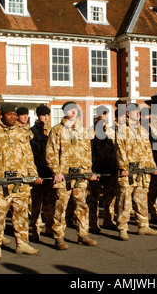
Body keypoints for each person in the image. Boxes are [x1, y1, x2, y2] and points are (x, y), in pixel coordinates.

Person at [0, 103, 42, 260]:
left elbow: (28, 156)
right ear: (2, 114)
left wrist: (33, 174)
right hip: (1, 182)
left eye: (14, 114)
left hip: (20, 182)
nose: (13, 117)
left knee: (21, 214)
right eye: (9, 114)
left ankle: (22, 244)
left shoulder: (22, 133)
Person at [45, 101, 98, 250]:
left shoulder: (83, 130)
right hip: (63, 175)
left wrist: (89, 172)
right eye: (69, 110)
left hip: (80, 176)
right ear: (64, 112)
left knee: (82, 205)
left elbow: (87, 153)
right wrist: (56, 171)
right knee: (60, 206)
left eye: (74, 109)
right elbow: (51, 153)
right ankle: (59, 237)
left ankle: (83, 235)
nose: (73, 112)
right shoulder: (57, 130)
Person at [115, 103, 157, 241]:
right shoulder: (122, 130)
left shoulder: (143, 130)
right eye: (135, 112)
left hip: (143, 172)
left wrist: (152, 166)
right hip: (128, 172)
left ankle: (143, 225)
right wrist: (123, 167)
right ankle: (123, 228)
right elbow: (119, 150)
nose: (138, 114)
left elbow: (148, 150)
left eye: (138, 112)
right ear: (128, 113)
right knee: (125, 201)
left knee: (141, 200)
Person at [88, 105, 119, 233]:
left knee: (110, 197)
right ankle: (93, 223)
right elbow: (87, 152)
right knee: (94, 198)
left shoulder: (111, 131)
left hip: (110, 168)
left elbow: (116, 150)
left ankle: (108, 219)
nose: (104, 117)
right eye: (101, 115)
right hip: (96, 168)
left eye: (106, 115)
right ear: (97, 116)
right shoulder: (90, 131)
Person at [29, 104, 55, 241]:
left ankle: (50, 228)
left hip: (49, 172)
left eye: (47, 115)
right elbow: (30, 155)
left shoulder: (52, 131)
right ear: (38, 116)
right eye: (43, 115)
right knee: (35, 205)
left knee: (49, 203)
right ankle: (35, 230)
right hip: (37, 171)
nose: (45, 118)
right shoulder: (31, 132)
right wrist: (33, 173)